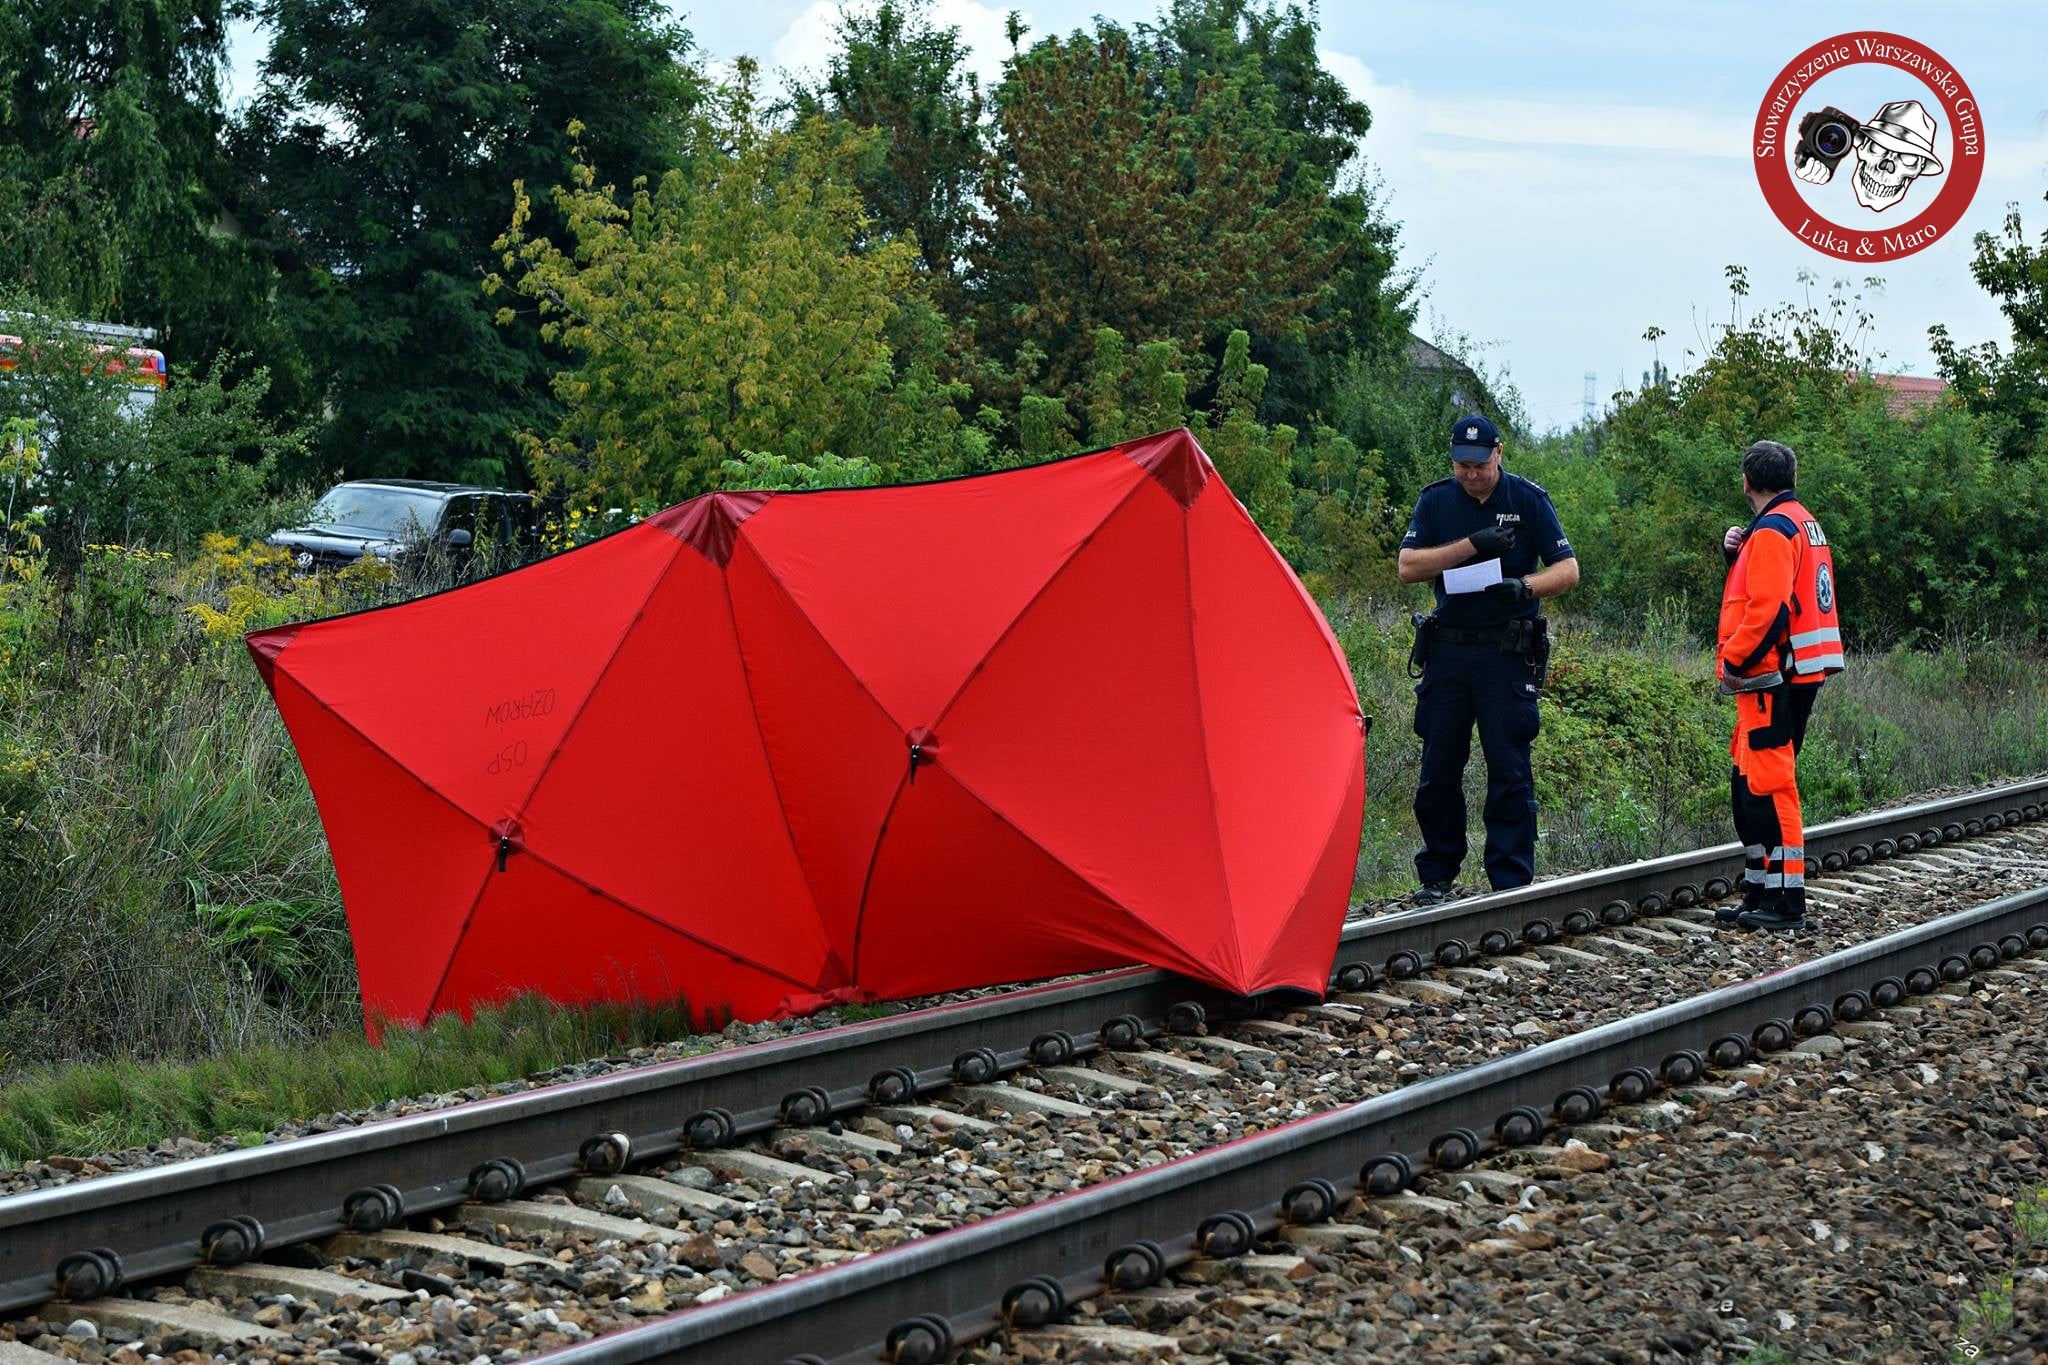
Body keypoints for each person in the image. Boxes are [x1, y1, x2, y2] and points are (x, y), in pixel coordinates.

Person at [1398, 414, 1580, 903]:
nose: (1472, 474)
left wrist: (1525, 586)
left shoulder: (1528, 499)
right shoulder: (1436, 500)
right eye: (1463, 465)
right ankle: (1437, 874)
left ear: (1498, 453)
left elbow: (1568, 569)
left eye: (1479, 465)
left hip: (1506, 652)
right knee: (1439, 765)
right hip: (1449, 650)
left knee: (1509, 766)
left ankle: (1510, 882)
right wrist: (1471, 545)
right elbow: (1408, 567)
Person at [1713, 440, 1843, 932]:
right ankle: (1760, 892)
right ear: (1793, 477)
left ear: (1746, 481)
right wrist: (1736, 552)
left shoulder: (1773, 530)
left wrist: (1734, 659)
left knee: (1768, 788)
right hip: (1793, 672)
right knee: (1747, 787)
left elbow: (1767, 609)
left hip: (1773, 676)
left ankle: (1785, 901)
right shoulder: (1800, 522)